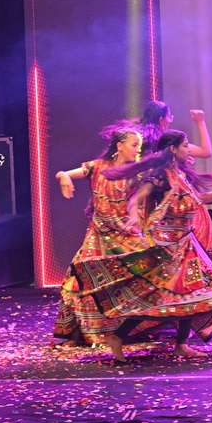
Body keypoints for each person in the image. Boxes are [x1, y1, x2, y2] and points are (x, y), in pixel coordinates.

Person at [83, 131, 212, 359]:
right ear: (173, 149)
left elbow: (200, 199)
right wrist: (133, 216)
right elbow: (137, 198)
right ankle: (117, 336)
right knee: (157, 296)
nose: (188, 149)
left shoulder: (181, 174)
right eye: (185, 145)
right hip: (166, 246)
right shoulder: (160, 175)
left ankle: (181, 344)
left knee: (191, 293)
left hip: (186, 244)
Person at [52, 126, 147, 352]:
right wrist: (64, 177)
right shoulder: (97, 167)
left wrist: (135, 217)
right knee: (79, 281)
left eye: (139, 146)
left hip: (126, 236)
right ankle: (82, 333)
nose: (138, 150)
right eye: (134, 145)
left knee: (145, 277)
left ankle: (125, 331)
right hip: (98, 236)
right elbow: (63, 173)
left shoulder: (136, 173)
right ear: (120, 146)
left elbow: (139, 202)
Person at [135, 100, 212, 157]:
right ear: (161, 120)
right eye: (169, 116)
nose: (171, 121)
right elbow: (206, 152)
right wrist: (200, 122)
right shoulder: (168, 140)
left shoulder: (135, 137)